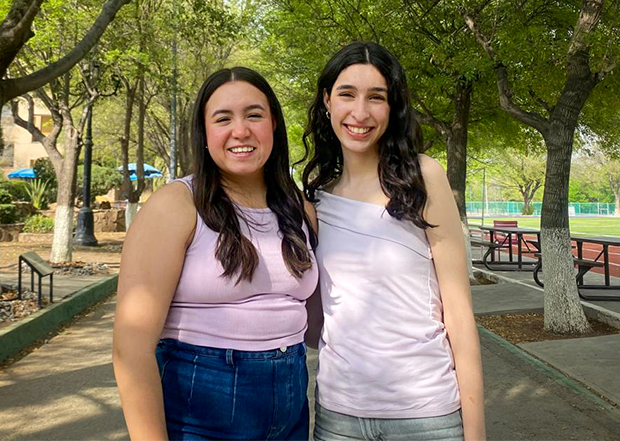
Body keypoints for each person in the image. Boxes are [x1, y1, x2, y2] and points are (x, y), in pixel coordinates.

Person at [113, 66, 318, 441]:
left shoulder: (299, 208)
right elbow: (131, 346)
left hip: (290, 403)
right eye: (223, 119)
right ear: (205, 135)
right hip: (200, 404)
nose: (241, 131)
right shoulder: (176, 205)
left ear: (273, 123)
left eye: (254, 115)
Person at [301, 42, 486, 441]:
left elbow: (459, 313)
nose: (360, 112)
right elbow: (315, 322)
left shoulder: (424, 177)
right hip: (338, 418)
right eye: (347, 94)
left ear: (394, 106)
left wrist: (475, 433)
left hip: (427, 416)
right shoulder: (315, 201)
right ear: (327, 100)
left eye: (377, 98)